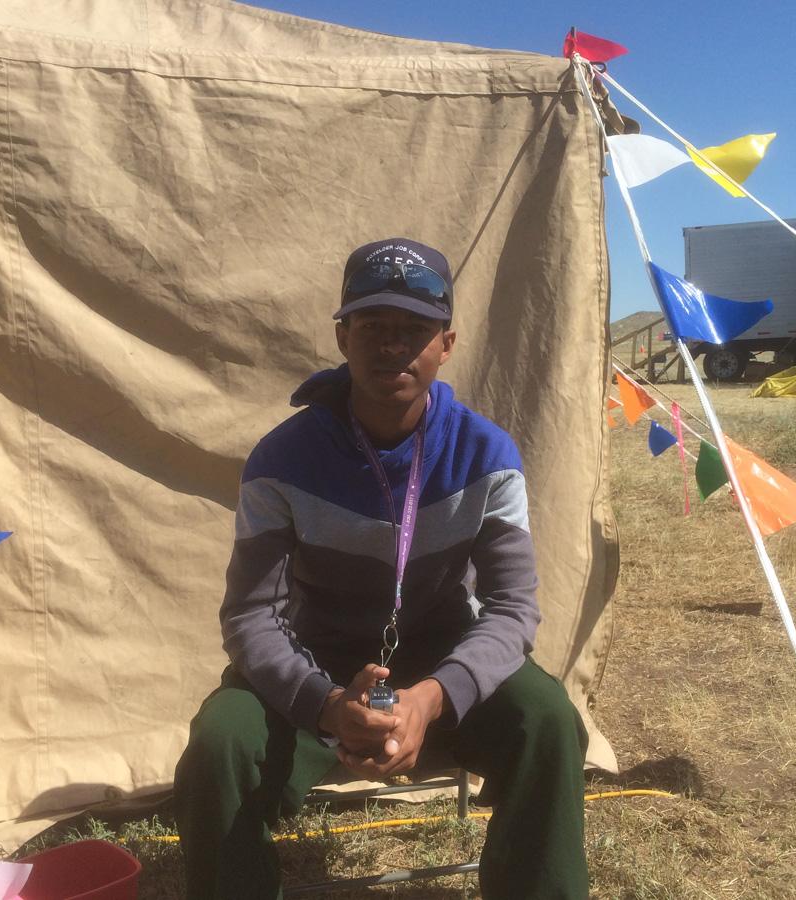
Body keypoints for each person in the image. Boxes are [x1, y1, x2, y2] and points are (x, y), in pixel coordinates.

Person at [174, 238, 589, 899]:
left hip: (440, 660)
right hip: (319, 664)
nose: (391, 346)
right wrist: (329, 706)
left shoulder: (487, 454)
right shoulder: (282, 459)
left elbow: (513, 611)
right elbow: (252, 616)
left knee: (547, 718)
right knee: (220, 742)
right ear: (342, 336)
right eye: (372, 327)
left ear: (446, 343)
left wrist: (431, 699)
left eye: (413, 330)